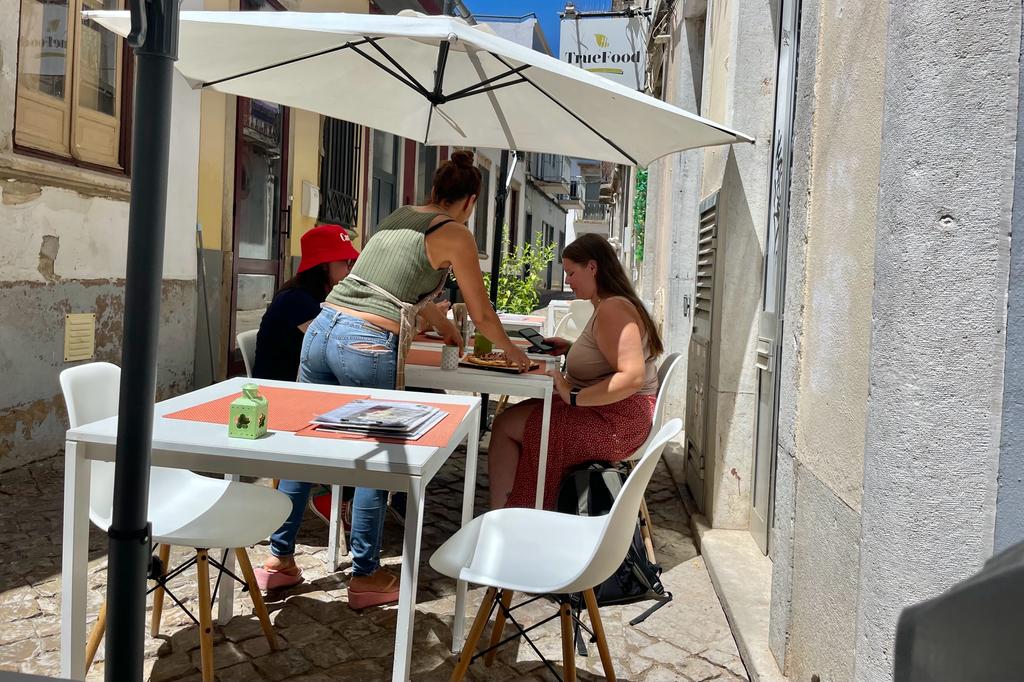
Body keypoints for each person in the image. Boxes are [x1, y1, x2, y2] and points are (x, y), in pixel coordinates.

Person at [265, 150, 531, 609]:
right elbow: (483, 313)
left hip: (324, 328)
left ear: (434, 189)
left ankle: (279, 561)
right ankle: (365, 575)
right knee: (378, 459)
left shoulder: (400, 216)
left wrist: (444, 327)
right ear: (471, 201)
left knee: (305, 450)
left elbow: (394, 286)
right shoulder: (456, 234)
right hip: (366, 341)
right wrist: (514, 353)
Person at [487, 233, 664, 510]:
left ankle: (512, 515)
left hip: (617, 422)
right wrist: (569, 349)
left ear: (592, 267)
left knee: (506, 426)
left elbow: (632, 377)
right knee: (511, 420)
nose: (567, 281)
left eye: (571, 273)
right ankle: (518, 509)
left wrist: (573, 396)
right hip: (614, 412)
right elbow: (609, 359)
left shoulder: (613, 309)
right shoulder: (611, 304)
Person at [251, 223, 359, 381]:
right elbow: (338, 344)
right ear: (324, 265)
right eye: (346, 263)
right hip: (279, 389)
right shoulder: (294, 300)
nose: (350, 271)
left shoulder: (320, 295)